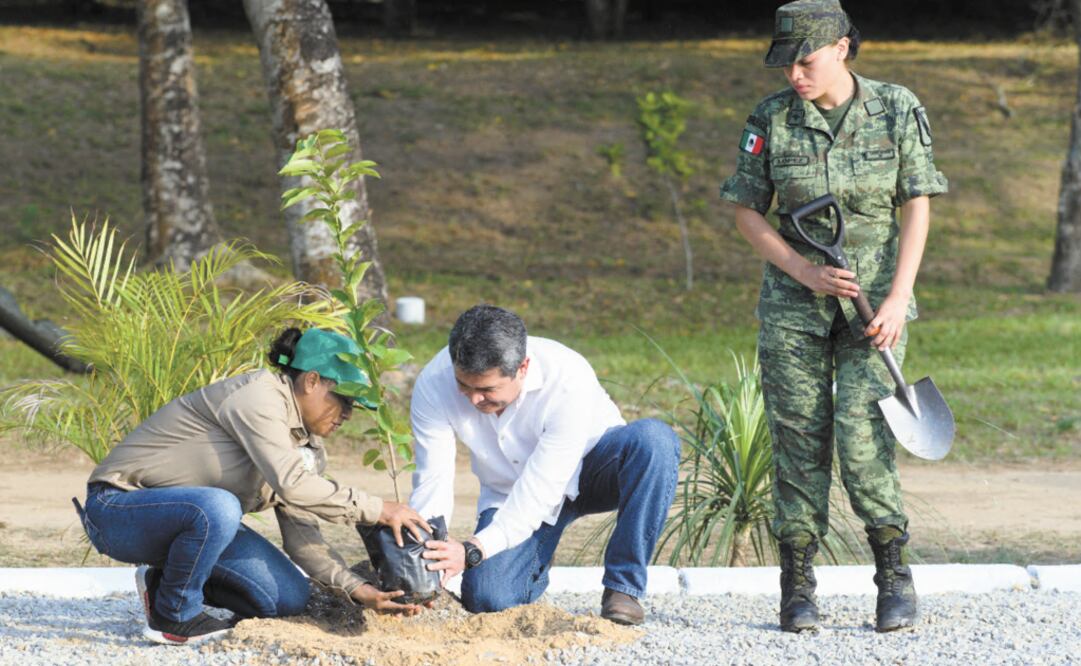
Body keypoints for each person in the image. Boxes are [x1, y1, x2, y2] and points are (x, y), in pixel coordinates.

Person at [717, 0, 947, 633]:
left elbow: (917, 202)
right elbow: (745, 210)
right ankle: (798, 588)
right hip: (795, 308)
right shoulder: (771, 118)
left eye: (806, 60)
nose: (795, 73)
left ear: (843, 47)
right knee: (799, 442)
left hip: (875, 310)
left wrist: (900, 297)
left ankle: (893, 577)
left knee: (865, 435)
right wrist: (804, 271)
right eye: (786, 62)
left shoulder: (897, 107)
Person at [75, 328, 431, 645]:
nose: (349, 414)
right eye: (345, 401)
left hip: (190, 525)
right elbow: (293, 486)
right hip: (118, 511)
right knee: (218, 507)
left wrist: (357, 589)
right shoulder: (258, 397)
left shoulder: (306, 447)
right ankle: (173, 615)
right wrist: (378, 509)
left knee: (287, 598)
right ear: (311, 381)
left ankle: (163, 584)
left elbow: (303, 537)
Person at [409, 305, 680, 626]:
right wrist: (424, 557)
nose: (474, 400)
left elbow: (543, 488)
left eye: (487, 390)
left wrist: (472, 550)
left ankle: (624, 587)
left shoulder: (567, 375)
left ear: (522, 367)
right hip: (510, 492)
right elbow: (433, 479)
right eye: (464, 387)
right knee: (488, 599)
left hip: (593, 470)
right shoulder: (433, 382)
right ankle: (537, 555)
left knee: (655, 441)